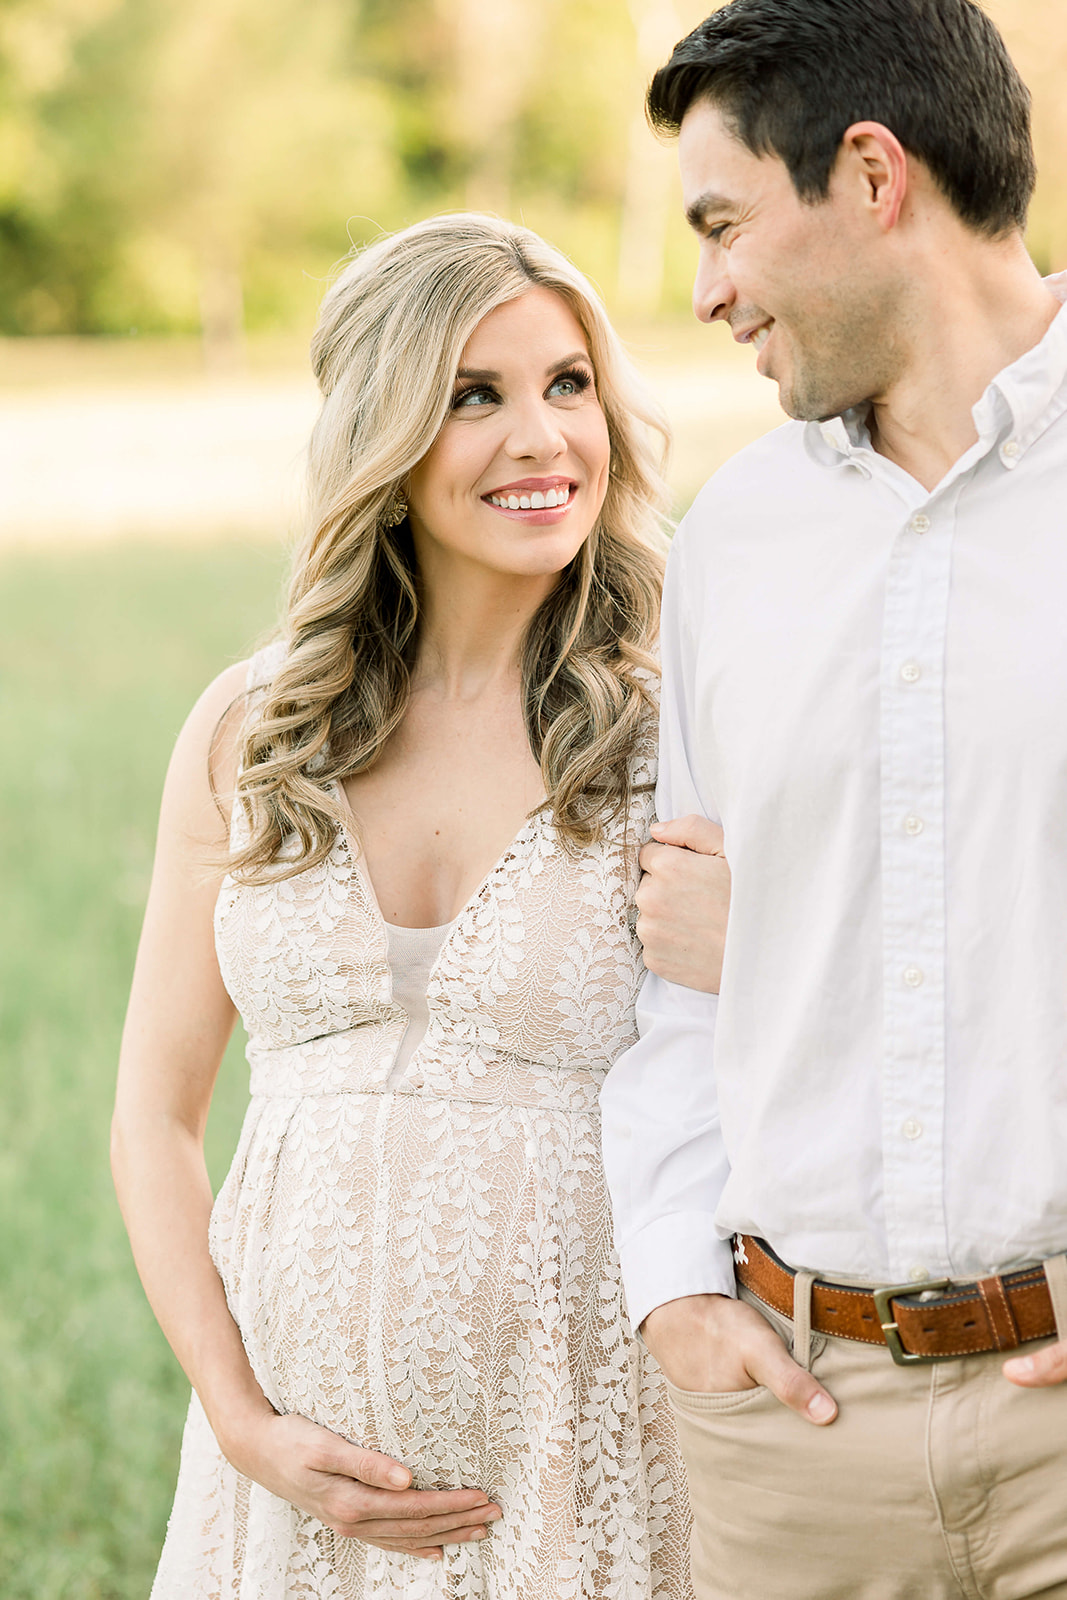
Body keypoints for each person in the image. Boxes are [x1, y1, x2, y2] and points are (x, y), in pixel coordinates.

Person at [111, 212, 730, 1600]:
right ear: (383, 435)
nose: (543, 439)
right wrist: (241, 1416)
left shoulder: (672, 727)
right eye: (475, 396)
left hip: (586, 1457)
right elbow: (154, 1113)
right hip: (286, 1487)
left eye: (569, 384)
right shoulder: (253, 728)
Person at [601, 2, 1067, 1596]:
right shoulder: (737, 538)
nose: (706, 288)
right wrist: (673, 1283)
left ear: (873, 175)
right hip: (795, 1443)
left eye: (725, 223)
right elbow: (681, 967)